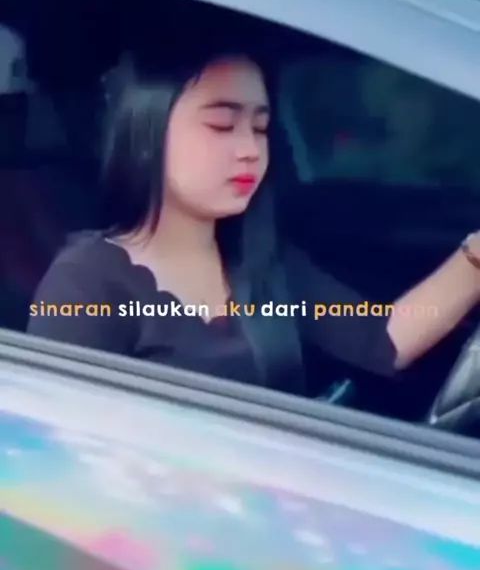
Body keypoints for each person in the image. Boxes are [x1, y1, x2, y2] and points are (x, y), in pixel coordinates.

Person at [28, 47, 480, 396]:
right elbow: (53, 438)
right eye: (222, 126)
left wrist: (473, 258)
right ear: (148, 133)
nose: (249, 149)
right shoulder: (86, 283)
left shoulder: (258, 261)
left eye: (260, 129)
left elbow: (381, 340)